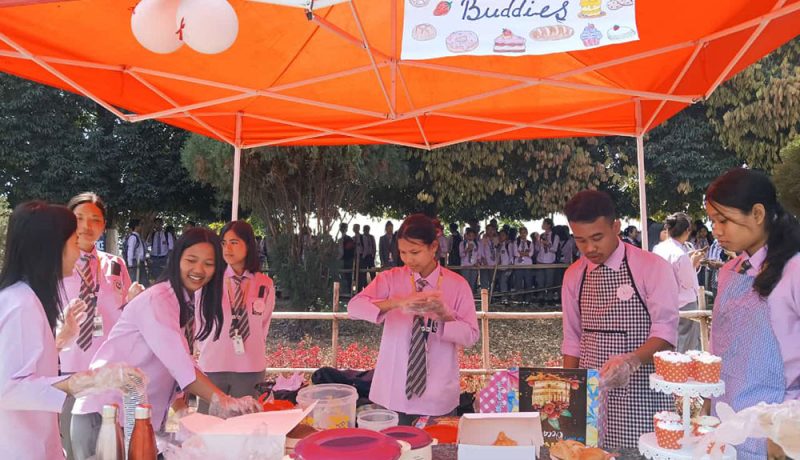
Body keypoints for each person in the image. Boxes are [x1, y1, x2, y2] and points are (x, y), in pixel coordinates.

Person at [70, 228, 261, 458]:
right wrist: (226, 401)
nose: (199, 270)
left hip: (135, 419)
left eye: (209, 263)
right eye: (191, 260)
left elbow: (177, 364)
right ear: (176, 259)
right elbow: (180, 365)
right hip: (105, 418)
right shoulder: (158, 300)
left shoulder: (185, 302)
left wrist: (181, 411)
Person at [0, 202, 142, 460]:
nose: (79, 253)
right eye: (74, 242)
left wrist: (57, 342)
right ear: (50, 248)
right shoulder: (21, 303)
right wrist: (84, 381)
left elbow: (19, 363)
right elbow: (6, 388)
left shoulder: (26, 298)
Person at [561, 190, 678, 449]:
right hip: (593, 399)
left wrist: (631, 360)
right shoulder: (573, 276)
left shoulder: (651, 267)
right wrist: (571, 392)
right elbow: (572, 339)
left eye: (597, 238)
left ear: (616, 226)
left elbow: (666, 332)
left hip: (641, 396)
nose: (590, 248)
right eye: (580, 240)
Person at [347, 214, 479, 426]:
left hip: (438, 395)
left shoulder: (457, 285)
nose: (408, 259)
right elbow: (354, 307)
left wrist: (445, 315)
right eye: (403, 252)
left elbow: (471, 336)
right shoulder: (391, 279)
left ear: (433, 247)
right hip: (393, 391)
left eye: (415, 252)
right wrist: (398, 302)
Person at [705, 168, 800, 459]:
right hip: (726, 423)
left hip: (778, 435)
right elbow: (720, 347)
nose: (716, 230)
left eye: (724, 220)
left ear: (758, 214)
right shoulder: (731, 271)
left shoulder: (794, 270)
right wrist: (709, 403)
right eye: (712, 221)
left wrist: (788, 432)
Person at [59, 193, 145, 459]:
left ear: (103, 225)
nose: (87, 226)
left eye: (95, 219)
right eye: (79, 218)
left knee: (112, 450)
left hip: (108, 376)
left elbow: (125, 319)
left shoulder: (115, 265)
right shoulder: (54, 266)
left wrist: (133, 303)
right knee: (73, 451)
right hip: (67, 375)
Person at [197, 221, 276, 413]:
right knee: (209, 428)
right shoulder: (209, 280)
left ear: (248, 244)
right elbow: (200, 321)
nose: (227, 249)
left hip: (250, 366)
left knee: (245, 426)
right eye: (224, 243)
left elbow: (262, 324)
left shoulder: (263, 283)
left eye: (234, 242)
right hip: (214, 363)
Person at [653, 212, 703, 352]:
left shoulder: (658, 249)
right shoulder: (680, 254)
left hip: (664, 302)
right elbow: (687, 283)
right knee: (686, 345)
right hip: (684, 302)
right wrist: (693, 263)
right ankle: (681, 371)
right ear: (687, 231)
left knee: (668, 342)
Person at [535, 218, 560, 301]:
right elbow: (538, 249)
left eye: (544, 223)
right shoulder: (541, 235)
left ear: (549, 225)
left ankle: (549, 298)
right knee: (540, 280)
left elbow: (555, 249)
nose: (542, 225)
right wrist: (537, 242)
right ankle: (541, 297)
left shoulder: (555, 236)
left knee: (549, 281)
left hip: (550, 261)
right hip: (541, 260)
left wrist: (548, 244)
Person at [125, 218, 147, 285]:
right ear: (136, 226)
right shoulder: (133, 237)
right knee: (135, 282)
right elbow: (130, 251)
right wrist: (130, 264)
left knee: (143, 282)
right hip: (135, 262)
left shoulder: (138, 237)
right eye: (140, 225)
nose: (141, 227)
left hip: (140, 262)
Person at [478, 223, 499, 290]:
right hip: (485, 264)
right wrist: (483, 259)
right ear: (486, 230)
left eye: (492, 229)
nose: (490, 231)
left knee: (492, 282)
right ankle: (485, 299)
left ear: (494, 230)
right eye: (488, 229)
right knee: (484, 283)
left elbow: (498, 250)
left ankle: (492, 298)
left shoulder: (496, 239)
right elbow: (480, 250)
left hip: (494, 264)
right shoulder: (483, 239)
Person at [514, 227, 535, 292]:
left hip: (527, 265)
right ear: (519, 234)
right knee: (518, 283)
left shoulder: (529, 243)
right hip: (518, 265)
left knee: (528, 282)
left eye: (524, 233)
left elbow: (531, 254)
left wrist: (521, 253)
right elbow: (515, 253)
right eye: (521, 233)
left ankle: (528, 298)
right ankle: (519, 298)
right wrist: (526, 253)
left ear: (527, 233)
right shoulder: (516, 242)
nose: (523, 234)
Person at [338, 223, 355, 295]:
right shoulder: (339, 239)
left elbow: (350, 251)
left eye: (344, 228)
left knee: (348, 276)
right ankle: (344, 291)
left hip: (347, 260)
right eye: (341, 227)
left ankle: (348, 292)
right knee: (342, 276)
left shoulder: (349, 239)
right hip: (341, 260)